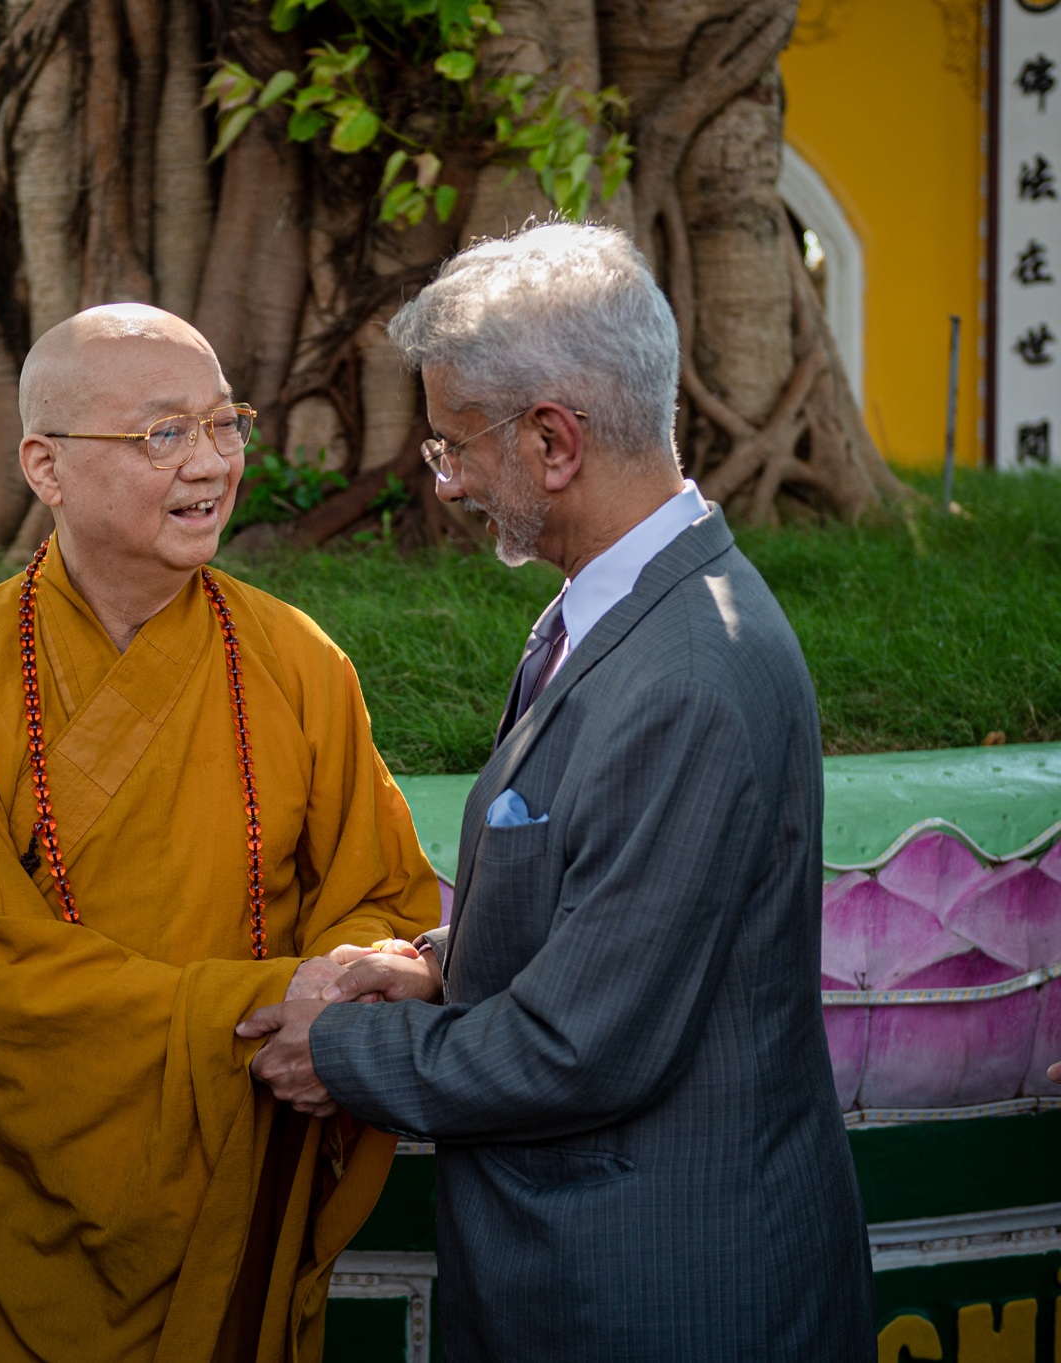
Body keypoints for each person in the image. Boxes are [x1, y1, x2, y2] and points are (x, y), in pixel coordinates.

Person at [238, 224, 875, 1360]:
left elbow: (580, 1047)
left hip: (657, 1290)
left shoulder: (683, 673)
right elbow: (605, 899)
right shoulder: (621, 605)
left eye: (449, 448)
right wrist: (433, 963)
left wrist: (330, 1054)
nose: (446, 486)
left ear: (551, 440)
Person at [0, 304, 441, 1362]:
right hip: (10, 1193)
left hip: (235, 1169)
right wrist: (259, 998)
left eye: (225, 425)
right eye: (163, 434)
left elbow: (382, 895)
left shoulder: (295, 658)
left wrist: (335, 987)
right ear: (45, 466)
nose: (212, 464)